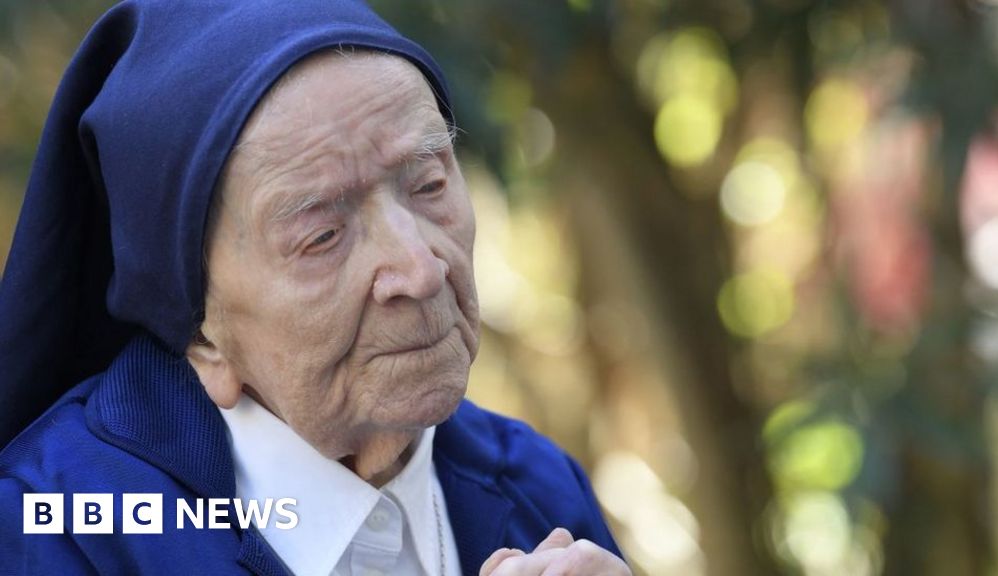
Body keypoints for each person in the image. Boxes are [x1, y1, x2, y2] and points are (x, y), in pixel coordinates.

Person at [0, 1, 631, 575]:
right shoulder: (56, 532)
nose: (421, 269)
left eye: (430, 186)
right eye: (323, 235)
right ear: (201, 332)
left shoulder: (538, 487)